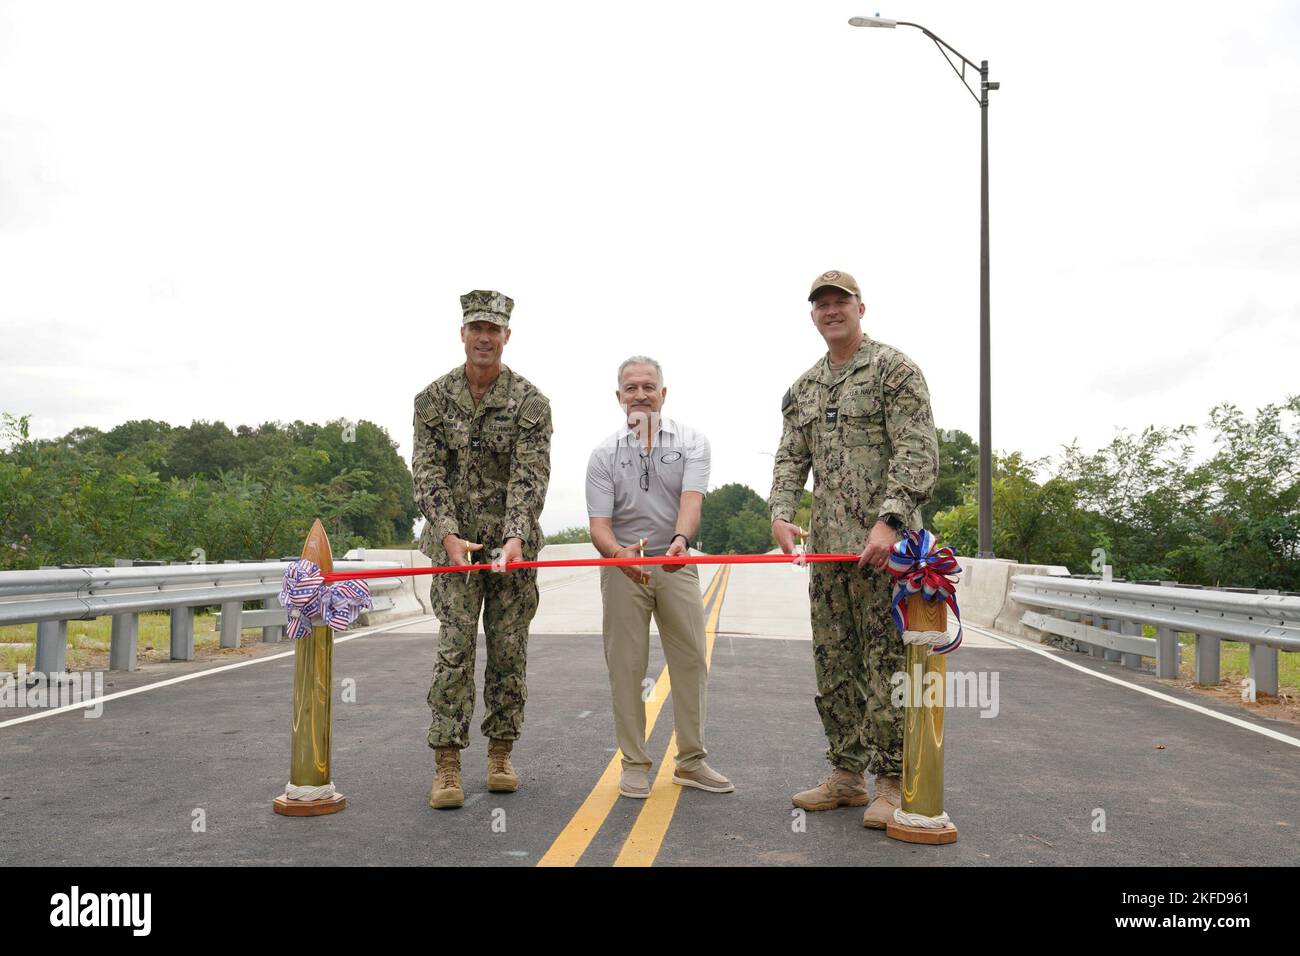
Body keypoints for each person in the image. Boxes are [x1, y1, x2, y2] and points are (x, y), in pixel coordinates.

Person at [768, 269, 938, 829]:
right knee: (835, 665)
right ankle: (846, 775)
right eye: (821, 304)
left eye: (840, 301)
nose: (831, 310)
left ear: (861, 307)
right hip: (830, 553)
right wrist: (782, 512)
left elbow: (917, 451)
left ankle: (891, 780)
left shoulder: (894, 370)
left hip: (889, 553)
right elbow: (792, 457)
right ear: (812, 315)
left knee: (887, 663)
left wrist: (889, 521)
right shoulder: (805, 388)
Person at [412, 289, 552, 810]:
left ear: (507, 336)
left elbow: (530, 478)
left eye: (494, 329)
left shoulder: (531, 403)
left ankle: (499, 754)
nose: (485, 337)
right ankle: (447, 764)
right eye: (477, 328)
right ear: (463, 333)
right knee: (454, 650)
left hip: (511, 553)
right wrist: (448, 535)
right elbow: (426, 474)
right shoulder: (432, 401)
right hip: (455, 551)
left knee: (508, 651)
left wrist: (515, 536)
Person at [585, 356, 733, 799]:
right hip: (621, 566)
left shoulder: (692, 442)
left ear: (663, 394)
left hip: (676, 559)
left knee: (690, 660)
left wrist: (681, 540)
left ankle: (691, 761)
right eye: (631, 388)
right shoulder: (603, 454)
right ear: (619, 397)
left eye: (649, 386)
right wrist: (617, 555)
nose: (641, 395)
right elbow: (599, 525)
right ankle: (634, 763)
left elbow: (691, 501)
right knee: (627, 666)